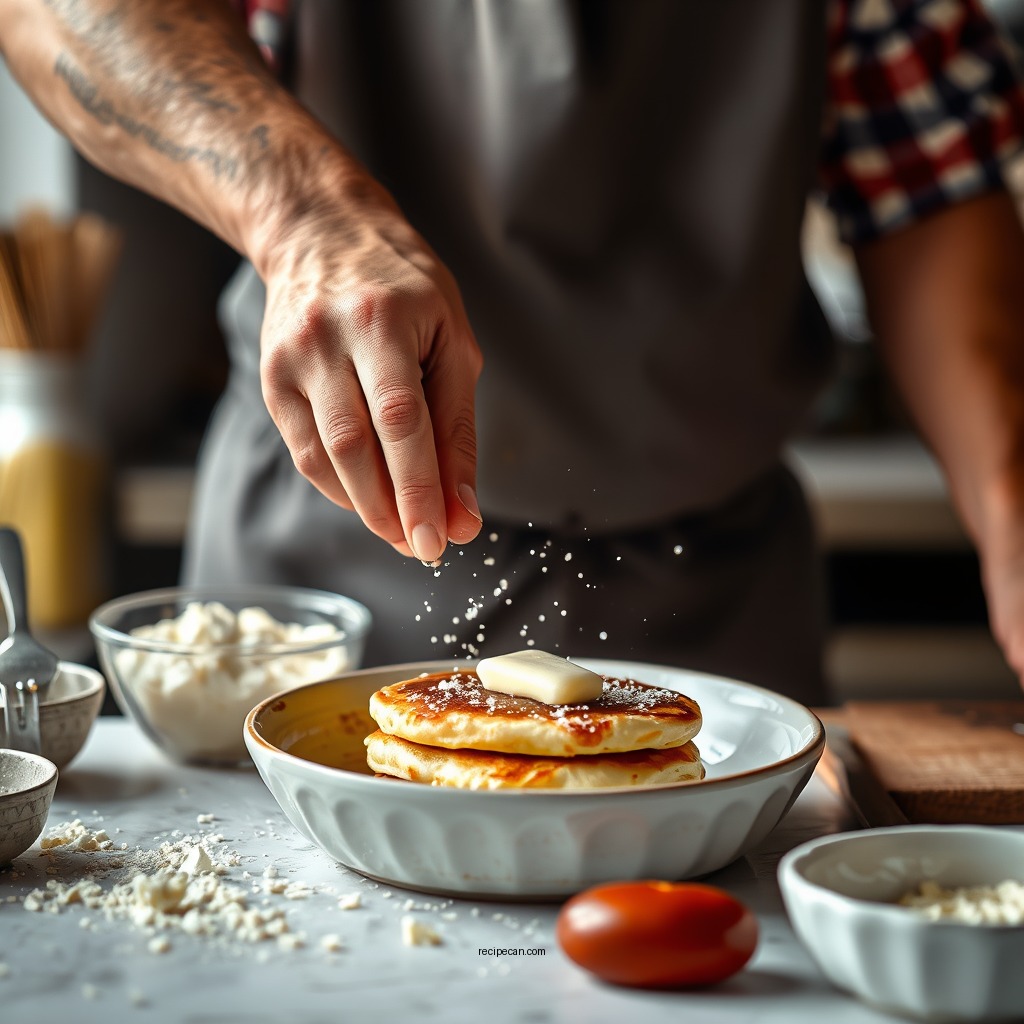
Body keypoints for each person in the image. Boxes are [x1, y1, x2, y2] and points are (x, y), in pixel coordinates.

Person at [4, 0, 1024, 705]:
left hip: (712, 598)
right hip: (320, 591)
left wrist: (1008, 497)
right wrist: (303, 214)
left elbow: (925, 192)